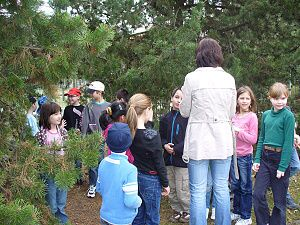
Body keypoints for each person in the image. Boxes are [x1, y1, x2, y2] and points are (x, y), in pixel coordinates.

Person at [180, 37, 236, 225]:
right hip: (222, 139)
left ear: (199, 54)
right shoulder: (229, 79)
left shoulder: (191, 78)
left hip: (199, 141)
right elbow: (231, 112)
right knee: (221, 187)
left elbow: (185, 111)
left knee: (197, 190)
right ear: (218, 54)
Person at [252, 82, 295, 225]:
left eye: (283, 98)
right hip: (265, 158)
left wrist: (282, 167)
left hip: (280, 160)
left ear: (286, 98)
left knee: (279, 202)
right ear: (270, 98)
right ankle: (264, 222)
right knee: (257, 194)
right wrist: (257, 159)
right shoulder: (266, 115)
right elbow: (262, 138)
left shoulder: (288, 116)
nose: (280, 102)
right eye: (276, 98)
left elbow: (288, 143)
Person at [126, 93, 170, 225]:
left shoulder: (130, 132)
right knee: (152, 216)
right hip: (151, 180)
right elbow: (159, 162)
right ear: (147, 110)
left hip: (135, 176)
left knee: (138, 213)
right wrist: (165, 183)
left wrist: (148, 120)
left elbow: (144, 130)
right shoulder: (153, 136)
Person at [96, 122, 142, 225]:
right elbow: (130, 201)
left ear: (108, 142)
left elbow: (98, 188)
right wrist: (139, 201)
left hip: (105, 215)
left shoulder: (103, 163)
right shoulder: (130, 169)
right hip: (122, 220)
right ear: (129, 143)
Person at [159, 88, 190, 223]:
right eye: (176, 97)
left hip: (182, 160)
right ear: (171, 98)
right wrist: (165, 145)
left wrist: (176, 149)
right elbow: (161, 136)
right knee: (171, 187)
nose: (179, 100)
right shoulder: (165, 118)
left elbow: (190, 138)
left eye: (182, 98)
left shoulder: (188, 118)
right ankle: (176, 210)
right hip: (168, 159)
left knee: (183, 187)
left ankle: (187, 211)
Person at [230, 86, 258, 225]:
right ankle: (236, 212)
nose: (244, 101)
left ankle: (246, 216)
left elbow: (253, 139)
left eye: (247, 98)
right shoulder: (233, 116)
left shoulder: (252, 117)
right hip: (232, 156)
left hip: (245, 157)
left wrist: (238, 132)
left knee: (245, 186)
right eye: (242, 98)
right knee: (235, 185)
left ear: (251, 101)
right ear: (237, 100)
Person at [36, 102, 69, 224]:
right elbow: (38, 154)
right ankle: (51, 219)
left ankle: (62, 221)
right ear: (46, 116)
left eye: (60, 113)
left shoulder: (63, 132)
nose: (59, 116)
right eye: (55, 114)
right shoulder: (41, 134)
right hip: (48, 171)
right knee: (51, 200)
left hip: (62, 170)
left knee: (61, 200)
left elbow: (68, 150)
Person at [81, 81, 110, 198]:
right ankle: (92, 185)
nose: (91, 94)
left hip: (106, 138)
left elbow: (111, 121)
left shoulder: (108, 106)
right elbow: (85, 123)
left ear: (100, 92)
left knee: (103, 163)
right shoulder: (89, 106)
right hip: (93, 138)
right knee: (93, 162)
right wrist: (83, 137)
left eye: (93, 92)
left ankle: (101, 184)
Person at [286, 129, 300, 209]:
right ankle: (287, 200)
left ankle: (271, 182)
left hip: (290, 144)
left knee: (296, 166)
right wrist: (295, 136)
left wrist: (294, 138)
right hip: (280, 145)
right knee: (282, 174)